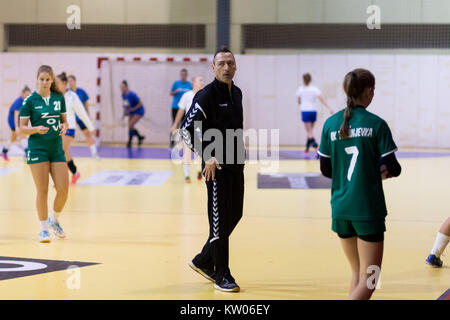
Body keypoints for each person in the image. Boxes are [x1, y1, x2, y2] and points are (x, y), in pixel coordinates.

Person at [318, 68, 401, 300]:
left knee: (356, 275)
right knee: (371, 279)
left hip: (340, 209)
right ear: (369, 91)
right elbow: (393, 167)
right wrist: (378, 171)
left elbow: (326, 170)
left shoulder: (330, 124)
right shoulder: (376, 124)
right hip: (367, 210)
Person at [181, 47, 245, 293]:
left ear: (235, 66)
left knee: (234, 215)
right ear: (213, 67)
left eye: (230, 63)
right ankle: (222, 274)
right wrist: (206, 155)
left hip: (236, 165)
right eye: (221, 63)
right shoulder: (205, 96)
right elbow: (186, 130)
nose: (226, 67)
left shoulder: (237, 93)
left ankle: (202, 260)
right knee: (218, 223)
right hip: (215, 168)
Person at [19, 65, 69, 243]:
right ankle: (43, 229)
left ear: (52, 80)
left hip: (56, 149)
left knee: (63, 190)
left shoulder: (58, 97)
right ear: (37, 79)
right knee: (43, 190)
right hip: (37, 149)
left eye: (48, 79)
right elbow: (21, 129)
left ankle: (54, 220)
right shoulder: (30, 100)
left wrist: (64, 126)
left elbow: (65, 122)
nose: (45, 82)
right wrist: (36, 129)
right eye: (42, 79)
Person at [56, 72, 95, 185]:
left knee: (61, 151)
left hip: (69, 128)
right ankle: (75, 172)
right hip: (57, 128)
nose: (56, 85)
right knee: (64, 153)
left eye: (58, 83)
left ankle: (61, 179)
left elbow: (82, 113)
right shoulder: (54, 96)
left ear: (64, 83)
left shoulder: (73, 96)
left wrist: (91, 127)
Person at [170, 76, 205, 183]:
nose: (202, 82)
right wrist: (175, 124)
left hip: (200, 127)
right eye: (200, 80)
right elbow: (180, 111)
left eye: (202, 80)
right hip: (188, 127)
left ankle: (199, 171)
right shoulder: (187, 95)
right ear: (194, 82)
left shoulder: (205, 96)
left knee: (200, 151)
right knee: (187, 151)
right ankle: (187, 176)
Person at [296, 73, 333, 153]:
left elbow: (299, 101)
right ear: (310, 80)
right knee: (310, 131)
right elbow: (321, 99)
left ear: (303, 80)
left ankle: (316, 146)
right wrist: (329, 108)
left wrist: (302, 101)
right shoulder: (314, 89)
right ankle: (307, 147)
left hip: (305, 111)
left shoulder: (300, 89)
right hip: (313, 111)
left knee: (309, 132)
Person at [67, 75, 99, 159]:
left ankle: (94, 153)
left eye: (71, 80)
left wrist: (88, 116)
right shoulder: (67, 93)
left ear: (75, 81)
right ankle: (65, 154)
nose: (69, 83)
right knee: (66, 137)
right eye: (68, 81)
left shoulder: (81, 92)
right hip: (71, 119)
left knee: (88, 134)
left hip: (81, 117)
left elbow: (86, 104)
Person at [2, 86, 31, 161]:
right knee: (22, 136)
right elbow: (16, 115)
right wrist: (17, 127)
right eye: (26, 94)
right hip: (13, 121)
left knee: (13, 138)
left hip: (17, 121)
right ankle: (27, 153)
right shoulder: (18, 101)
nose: (27, 96)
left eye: (29, 95)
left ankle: (4, 151)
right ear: (22, 93)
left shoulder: (25, 101)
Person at [170, 69, 192, 148]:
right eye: (182, 74)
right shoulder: (176, 83)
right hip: (176, 107)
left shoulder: (189, 84)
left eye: (184, 75)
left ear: (186, 75)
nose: (183, 76)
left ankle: (184, 143)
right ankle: (172, 143)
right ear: (180, 75)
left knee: (184, 125)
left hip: (185, 108)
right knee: (175, 124)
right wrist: (175, 92)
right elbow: (170, 93)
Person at [120, 80, 145, 148]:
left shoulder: (132, 94)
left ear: (126, 87)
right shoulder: (123, 95)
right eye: (120, 87)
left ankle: (130, 142)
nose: (121, 88)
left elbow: (140, 103)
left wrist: (133, 109)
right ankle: (139, 137)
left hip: (139, 110)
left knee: (131, 124)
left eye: (122, 87)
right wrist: (126, 112)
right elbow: (126, 104)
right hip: (131, 111)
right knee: (130, 126)